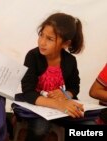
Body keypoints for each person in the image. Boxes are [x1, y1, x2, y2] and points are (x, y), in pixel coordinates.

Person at [15, 12, 85, 141]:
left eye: (50, 39)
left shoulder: (70, 61)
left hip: (61, 107)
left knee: (89, 126)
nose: (42, 42)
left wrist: (65, 95)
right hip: (37, 107)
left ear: (65, 44)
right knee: (40, 128)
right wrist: (58, 104)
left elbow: (75, 87)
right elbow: (28, 92)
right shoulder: (32, 56)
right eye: (41, 35)